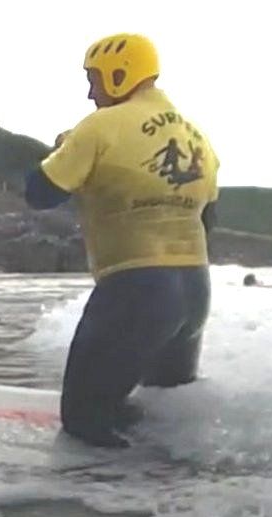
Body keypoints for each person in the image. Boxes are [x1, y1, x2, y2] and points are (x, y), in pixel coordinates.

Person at [24, 33, 220, 447]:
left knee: (82, 420)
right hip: (194, 291)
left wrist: (63, 149)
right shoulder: (198, 137)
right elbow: (210, 219)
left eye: (94, 79)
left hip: (138, 288)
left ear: (120, 74)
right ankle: (178, 501)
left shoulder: (100, 127)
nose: (91, 91)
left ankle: (96, 499)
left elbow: (39, 193)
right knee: (164, 415)